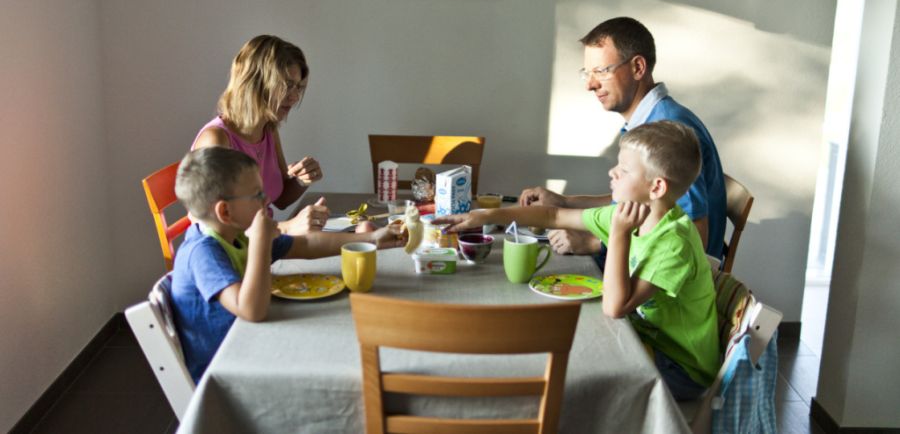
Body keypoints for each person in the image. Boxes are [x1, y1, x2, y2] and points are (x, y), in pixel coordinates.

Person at [436, 121, 719, 400]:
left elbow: (614, 307)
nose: (613, 172)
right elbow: (552, 216)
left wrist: (619, 234)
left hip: (679, 367)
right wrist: (485, 216)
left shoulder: (672, 243)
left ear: (656, 187)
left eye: (624, 169)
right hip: (645, 338)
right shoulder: (634, 212)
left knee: (573, 370)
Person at [170, 147, 405, 383]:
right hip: (228, 372)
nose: (266, 200)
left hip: (251, 345)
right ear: (225, 211)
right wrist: (261, 243)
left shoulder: (235, 234)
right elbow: (251, 311)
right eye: (257, 195)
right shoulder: (203, 253)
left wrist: (372, 239)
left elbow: (306, 245)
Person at [520, 17, 726, 263]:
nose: (590, 84)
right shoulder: (647, 122)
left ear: (638, 67)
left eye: (601, 71)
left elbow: (693, 236)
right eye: (587, 72)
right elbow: (634, 199)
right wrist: (565, 202)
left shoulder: (669, 130)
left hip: (665, 289)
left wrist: (597, 243)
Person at [193, 34, 328, 236]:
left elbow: (280, 200)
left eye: (298, 87)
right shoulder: (216, 140)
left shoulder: (268, 130)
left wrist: (301, 180)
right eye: (287, 85)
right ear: (254, 83)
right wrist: (288, 227)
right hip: (233, 260)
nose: (294, 96)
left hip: (264, 246)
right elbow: (214, 228)